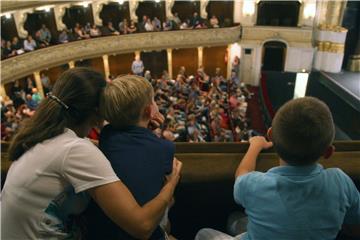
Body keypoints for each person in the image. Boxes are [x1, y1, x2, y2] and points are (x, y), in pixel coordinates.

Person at [1, 67, 182, 240]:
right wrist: (171, 183)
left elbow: (103, 146)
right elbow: (141, 226)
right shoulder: (75, 151)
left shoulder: (50, 138)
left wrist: (140, 129)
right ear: (98, 111)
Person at [195, 97, 360, 240]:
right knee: (237, 221)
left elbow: (241, 175)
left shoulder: (255, 185)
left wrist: (255, 146)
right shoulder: (341, 182)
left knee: (204, 233)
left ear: (270, 135)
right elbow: (354, 223)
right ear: (328, 152)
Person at [86, 75, 175, 239]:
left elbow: (131, 146)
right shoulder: (165, 148)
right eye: (154, 100)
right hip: (144, 228)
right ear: (149, 110)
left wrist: (147, 129)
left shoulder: (106, 134)